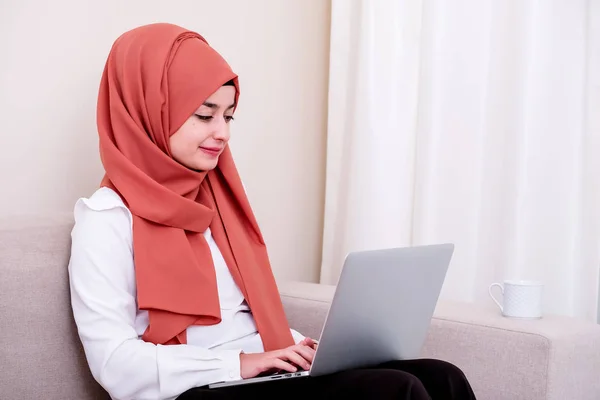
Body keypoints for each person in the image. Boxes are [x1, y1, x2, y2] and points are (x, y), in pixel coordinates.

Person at [68, 23, 477, 400]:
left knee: (444, 377)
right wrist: (240, 364)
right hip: (198, 387)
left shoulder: (216, 201)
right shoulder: (106, 219)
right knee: (397, 391)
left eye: (228, 116)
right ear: (148, 111)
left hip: (257, 374)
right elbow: (114, 364)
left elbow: (245, 321)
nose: (222, 133)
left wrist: (297, 348)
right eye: (204, 115)